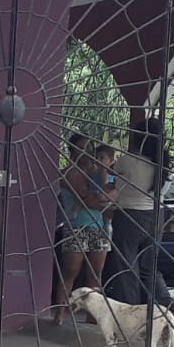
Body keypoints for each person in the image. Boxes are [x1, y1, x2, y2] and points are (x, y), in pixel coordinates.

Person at [110, 117, 174, 326]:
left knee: (127, 268)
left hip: (130, 216)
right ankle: (173, 309)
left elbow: (113, 180)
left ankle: (131, 318)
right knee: (149, 268)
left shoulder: (128, 161)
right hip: (156, 217)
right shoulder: (165, 166)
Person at [53, 136, 115, 325]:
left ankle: (92, 313)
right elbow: (91, 199)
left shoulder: (99, 173)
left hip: (100, 226)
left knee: (96, 273)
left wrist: (102, 196)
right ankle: (60, 313)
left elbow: (109, 199)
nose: (85, 152)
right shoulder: (69, 173)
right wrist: (102, 200)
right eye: (80, 148)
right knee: (70, 271)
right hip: (76, 226)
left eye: (88, 148)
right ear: (72, 151)